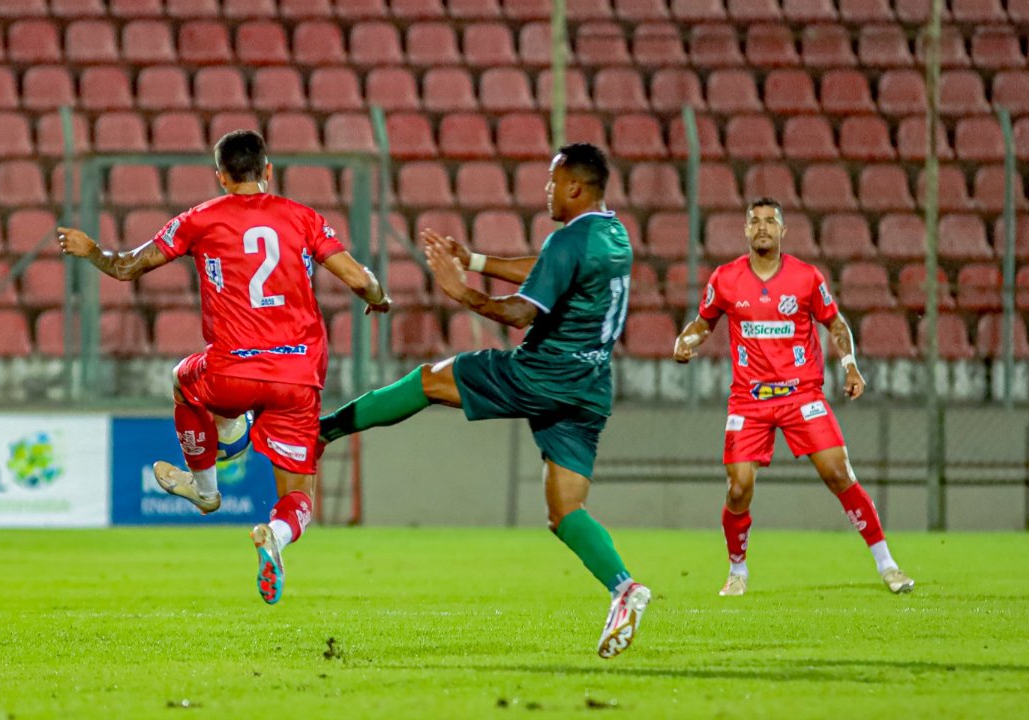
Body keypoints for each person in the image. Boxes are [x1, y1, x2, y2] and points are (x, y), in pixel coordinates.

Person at [318, 143, 651, 659]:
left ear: (575, 187)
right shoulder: (614, 234)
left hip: (543, 374)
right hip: (589, 387)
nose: (547, 189)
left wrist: (463, 293)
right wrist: (473, 261)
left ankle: (322, 431)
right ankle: (624, 589)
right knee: (565, 512)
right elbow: (549, 268)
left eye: (553, 180)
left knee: (429, 380)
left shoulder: (569, 239)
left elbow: (520, 314)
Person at [58, 130, 391, 605]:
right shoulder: (304, 218)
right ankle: (276, 534)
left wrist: (92, 250)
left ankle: (206, 489)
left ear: (220, 177)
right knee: (299, 495)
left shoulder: (200, 218)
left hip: (232, 369)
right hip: (299, 376)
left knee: (182, 382)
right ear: (268, 170)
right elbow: (360, 279)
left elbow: (128, 267)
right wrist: (379, 297)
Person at [672, 198, 915, 597]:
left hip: (801, 395)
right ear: (745, 230)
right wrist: (685, 341)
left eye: (770, 221)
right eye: (755, 221)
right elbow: (703, 322)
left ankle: (887, 564)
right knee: (738, 487)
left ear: (783, 231)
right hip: (749, 400)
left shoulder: (806, 277)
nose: (762, 227)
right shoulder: (726, 278)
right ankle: (737, 571)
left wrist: (850, 365)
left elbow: (836, 323)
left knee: (839, 473)